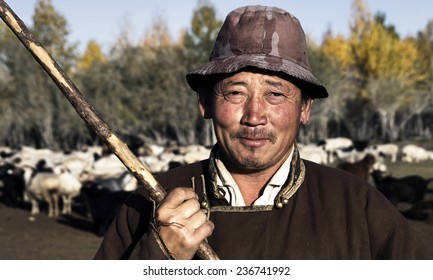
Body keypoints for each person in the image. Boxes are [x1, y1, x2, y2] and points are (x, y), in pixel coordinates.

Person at [94, 5, 429, 260]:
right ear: (205, 103)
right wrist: (158, 259)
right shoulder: (152, 202)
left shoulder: (357, 206)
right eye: (236, 92)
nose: (254, 116)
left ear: (305, 109)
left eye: (276, 94)